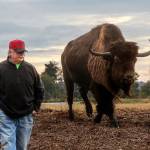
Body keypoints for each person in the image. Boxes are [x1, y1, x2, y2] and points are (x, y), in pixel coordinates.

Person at [0, 39, 44, 150]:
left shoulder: (31, 69)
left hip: (26, 114)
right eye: (19, 52)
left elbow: (39, 89)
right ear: (10, 52)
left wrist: (36, 107)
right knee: (8, 146)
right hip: (6, 114)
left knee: (22, 147)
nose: (22, 54)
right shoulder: (1, 68)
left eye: (23, 52)